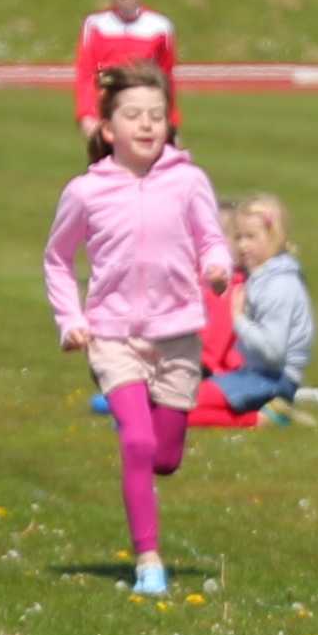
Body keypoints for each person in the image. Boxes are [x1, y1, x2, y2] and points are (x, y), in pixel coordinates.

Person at [43, 60, 231, 600]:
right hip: (112, 335)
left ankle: (148, 449)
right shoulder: (85, 192)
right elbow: (58, 259)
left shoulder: (189, 181)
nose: (147, 124)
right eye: (133, 115)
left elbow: (211, 238)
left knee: (165, 457)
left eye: (156, 115)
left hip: (178, 334)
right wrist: (71, 320)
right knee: (138, 441)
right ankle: (149, 561)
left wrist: (217, 266)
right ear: (107, 129)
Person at [210, 191, 318, 425]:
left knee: (185, 404)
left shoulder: (279, 284)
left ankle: (263, 417)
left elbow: (273, 351)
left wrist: (238, 319)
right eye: (238, 237)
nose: (242, 245)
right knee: (179, 401)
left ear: (275, 236)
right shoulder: (262, 277)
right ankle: (267, 415)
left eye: (251, 237)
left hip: (275, 380)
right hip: (256, 374)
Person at [72, 0, 176, 156]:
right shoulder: (95, 24)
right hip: (107, 114)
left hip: (143, 113)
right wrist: (86, 115)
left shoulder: (160, 26)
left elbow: (166, 78)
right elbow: (86, 73)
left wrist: (171, 121)